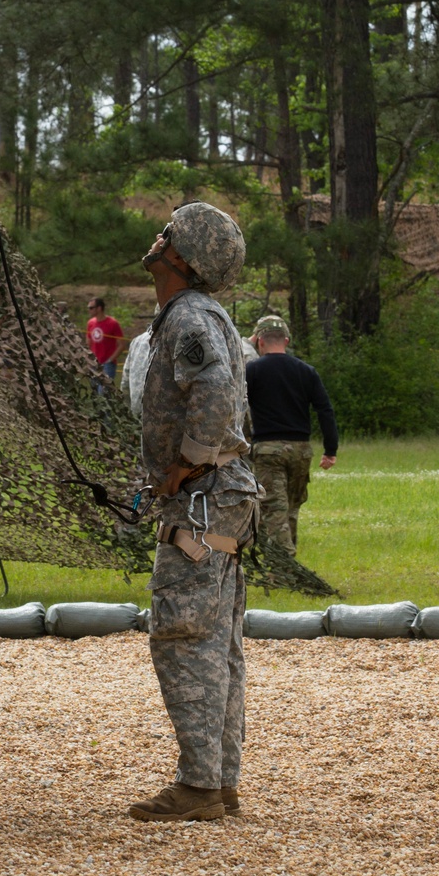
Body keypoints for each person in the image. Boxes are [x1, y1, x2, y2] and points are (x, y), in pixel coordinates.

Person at [129, 202, 260, 824]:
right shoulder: (192, 317)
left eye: (168, 235)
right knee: (215, 635)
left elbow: (214, 397)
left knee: (184, 635)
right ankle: (216, 779)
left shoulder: (190, 319)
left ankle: (202, 785)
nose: (156, 240)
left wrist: (187, 462)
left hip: (203, 500)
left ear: (183, 256)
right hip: (214, 498)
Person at [246, 315, 338, 555]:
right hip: (300, 450)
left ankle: (284, 562)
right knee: (291, 509)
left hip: (268, 449)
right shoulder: (306, 371)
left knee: (273, 508)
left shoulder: (251, 371)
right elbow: (325, 410)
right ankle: (283, 561)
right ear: (286, 340)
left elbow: (237, 407)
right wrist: (330, 450)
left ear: (260, 342)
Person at [86, 297, 124, 383]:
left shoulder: (113, 323)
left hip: (108, 364)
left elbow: (121, 344)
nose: (89, 310)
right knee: (95, 392)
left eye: (91, 308)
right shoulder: (90, 323)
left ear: (99, 308)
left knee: (103, 393)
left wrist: (110, 360)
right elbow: (88, 343)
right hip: (94, 364)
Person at [119, 324, 152, 418]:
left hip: (136, 410)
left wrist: (126, 408)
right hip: (160, 417)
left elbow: (125, 380)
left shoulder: (137, 341)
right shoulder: (172, 339)